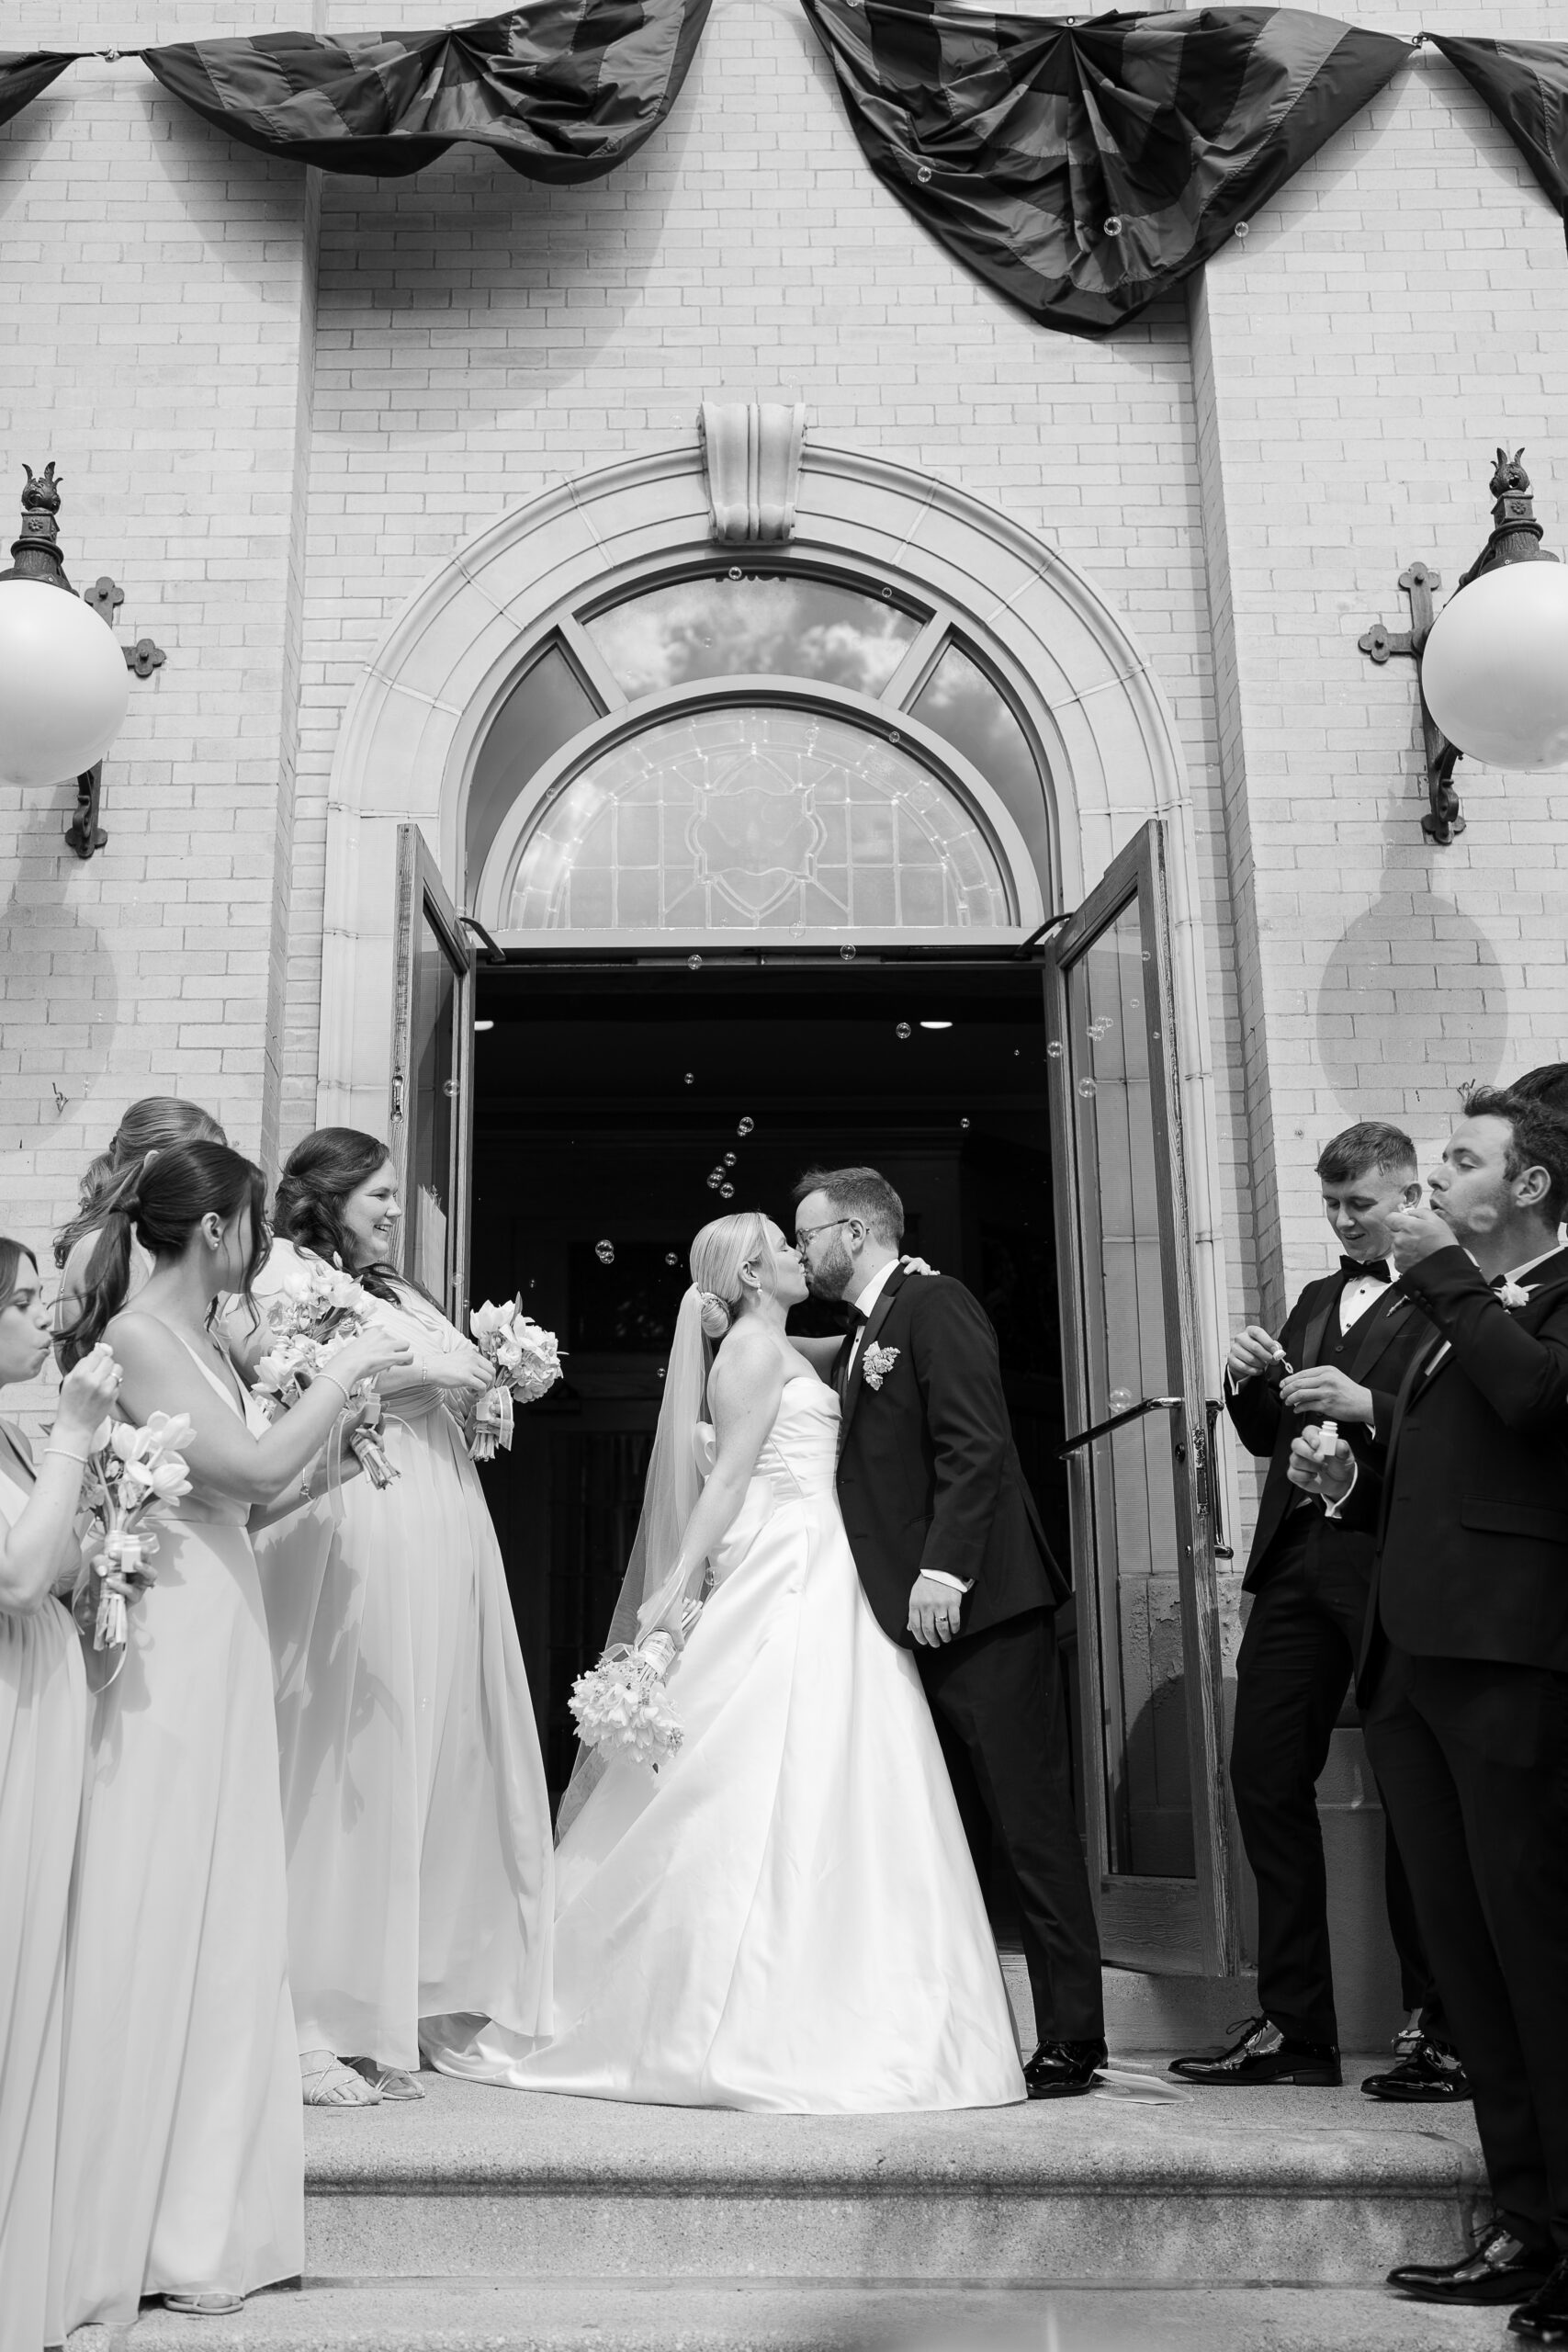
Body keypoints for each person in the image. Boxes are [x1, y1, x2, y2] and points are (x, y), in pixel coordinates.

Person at [430, 1212, 1025, 2113]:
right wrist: (675, 1582)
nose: (799, 1254)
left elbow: (864, 1348)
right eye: (783, 1248)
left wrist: (905, 1286)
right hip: (795, 1563)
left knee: (844, 1767)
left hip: (831, 1561)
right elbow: (731, 1476)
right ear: (752, 1272)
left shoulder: (785, 1344)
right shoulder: (749, 1353)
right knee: (768, 1767)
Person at [49, 1141, 411, 2330]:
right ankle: (141, 2217)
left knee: (224, 1908)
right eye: (248, 1225)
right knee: (165, 1903)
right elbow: (249, 1466)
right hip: (169, 1653)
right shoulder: (147, 1340)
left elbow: (241, 1499)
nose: (256, 1246)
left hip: (219, 1621)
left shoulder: (198, 1341)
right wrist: (344, 1363)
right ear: (216, 1230)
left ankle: (206, 2217)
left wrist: (329, 1464)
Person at [1290, 1087, 1568, 2335]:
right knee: (1469, 1969)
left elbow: (1537, 1409)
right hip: (1412, 1665)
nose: (1429, 1182)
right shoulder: (1464, 1307)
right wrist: (1352, 1467)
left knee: (1541, 1966)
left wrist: (1445, 1278)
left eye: (1458, 1161)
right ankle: (1523, 2223)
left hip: (1511, 1668)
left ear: (1526, 1189)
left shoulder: (1521, 1299)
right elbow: (1455, 1457)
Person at [242, 1129, 553, 2108]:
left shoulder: (394, 1287)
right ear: (325, 1195)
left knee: (430, 1751)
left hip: (438, 1518)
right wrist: (434, 1383)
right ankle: (311, 2015)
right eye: (375, 1192)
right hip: (360, 1519)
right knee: (352, 1755)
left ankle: (387, 1997)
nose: (389, 1208)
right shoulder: (284, 1275)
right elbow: (301, 1389)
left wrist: (486, 1387)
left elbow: (420, 1377)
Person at [792, 1166, 1105, 2100]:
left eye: (809, 1233)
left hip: (982, 1608)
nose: (803, 1249)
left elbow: (976, 1443)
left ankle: (1074, 2039)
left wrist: (945, 1567)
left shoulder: (937, 1304)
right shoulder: (867, 1329)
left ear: (857, 1229)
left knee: (1030, 1822)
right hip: (909, 1624)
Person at [1170, 1123, 1457, 2098]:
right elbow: (1270, 1432)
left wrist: (1364, 1400)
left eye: (1359, 1205)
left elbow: (1465, 1430)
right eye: (1331, 1205)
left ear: (1408, 1190)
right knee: (1261, 1776)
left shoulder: (1452, 1293)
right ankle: (1297, 2026)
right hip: (1294, 1560)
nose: (1341, 1221)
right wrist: (1247, 1380)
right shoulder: (1314, 1298)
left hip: (1388, 1556)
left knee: (1417, 1790)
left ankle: (1443, 2025)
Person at [0, 1247, 120, 2352]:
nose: (48, 1317)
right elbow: (16, 1573)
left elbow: (62, 1565)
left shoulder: (14, 1431)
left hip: (42, 1706)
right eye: (23, 1301)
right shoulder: (49, 1427)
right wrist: (80, 1435)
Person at [52, 1096, 226, 1352]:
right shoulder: (110, 1248)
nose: (221, 1186)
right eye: (205, 1168)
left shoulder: (144, 1249)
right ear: (155, 1166)